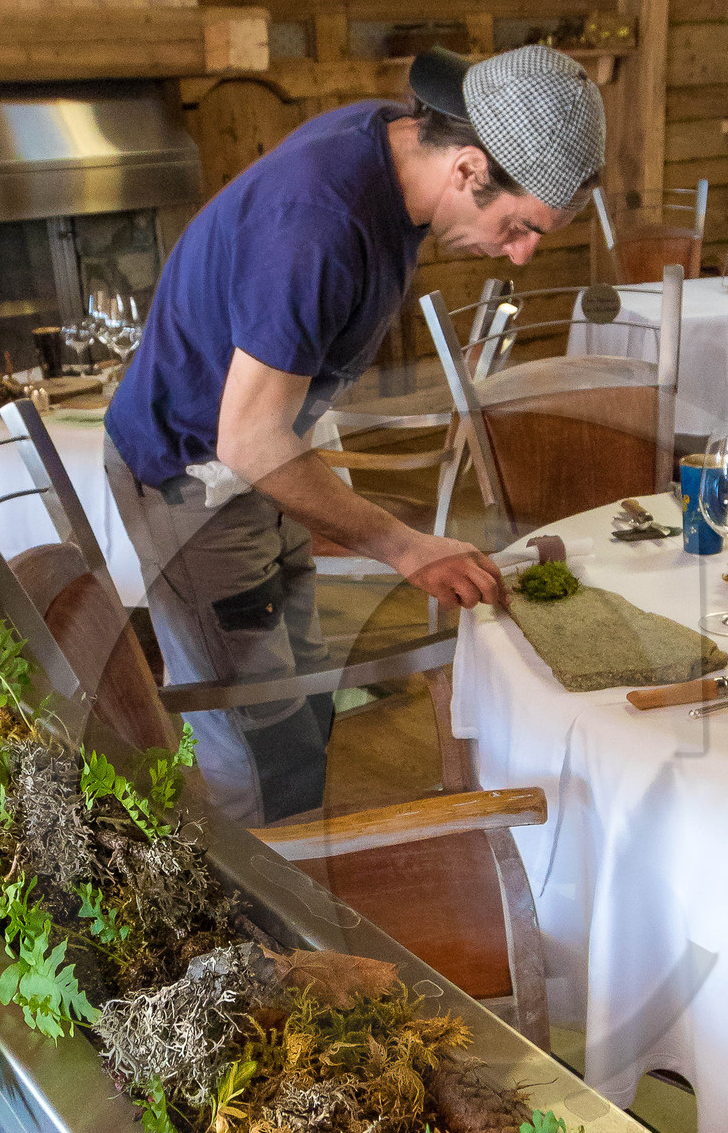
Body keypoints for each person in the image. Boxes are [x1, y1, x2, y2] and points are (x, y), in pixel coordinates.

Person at [104, 43, 606, 822]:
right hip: (194, 478)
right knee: (260, 732)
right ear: (469, 168)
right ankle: (266, 926)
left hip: (264, 469)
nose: (523, 253)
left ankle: (299, 877)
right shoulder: (321, 225)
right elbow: (248, 440)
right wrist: (405, 544)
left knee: (305, 699)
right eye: (518, 226)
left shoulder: (389, 137)